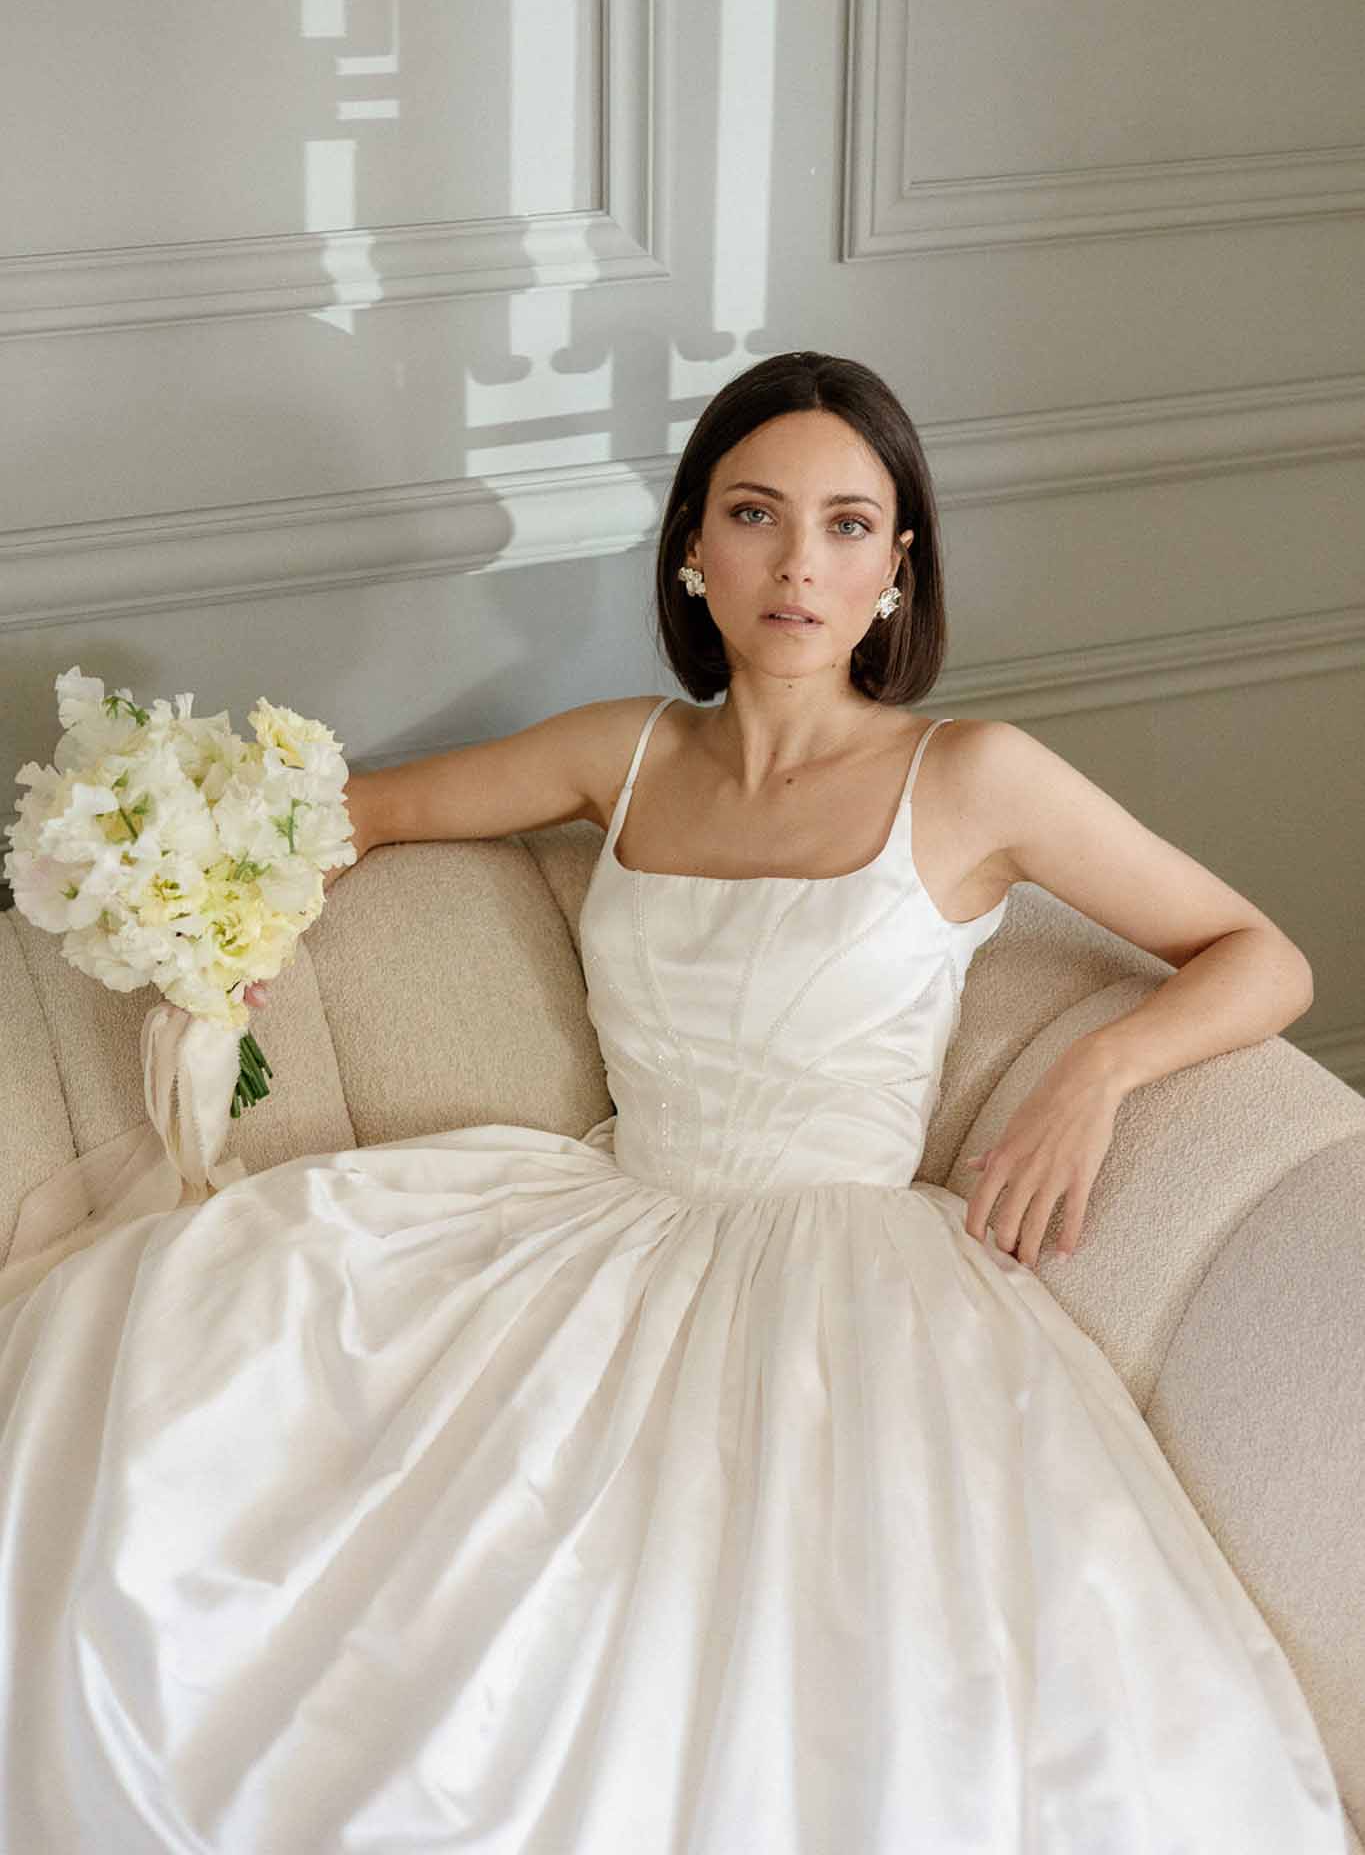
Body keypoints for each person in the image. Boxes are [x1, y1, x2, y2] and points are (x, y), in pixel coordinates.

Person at [0, 350, 1347, 1852]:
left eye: (848, 525)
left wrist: (1097, 1071)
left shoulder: (977, 775)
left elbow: (1260, 957)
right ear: (694, 550)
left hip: (855, 1284)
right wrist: (233, 935)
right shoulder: (618, 753)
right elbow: (341, 821)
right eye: (756, 515)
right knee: (238, 1421)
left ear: (899, 566)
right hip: (598, 1224)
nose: (798, 562)